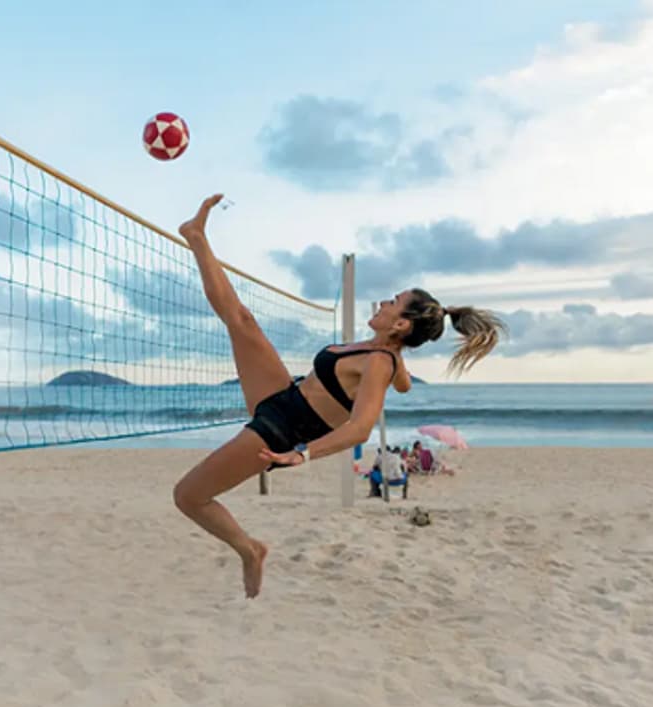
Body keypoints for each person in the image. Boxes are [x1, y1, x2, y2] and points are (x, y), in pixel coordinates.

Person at [171, 194, 506, 598]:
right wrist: (399, 369)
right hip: (284, 396)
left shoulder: (380, 361)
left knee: (188, 496)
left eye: (393, 302)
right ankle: (197, 236)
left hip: (283, 433)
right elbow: (403, 384)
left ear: (401, 324)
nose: (383, 302)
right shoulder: (386, 357)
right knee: (241, 320)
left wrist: (303, 454)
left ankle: (250, 549)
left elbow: (361, 428)